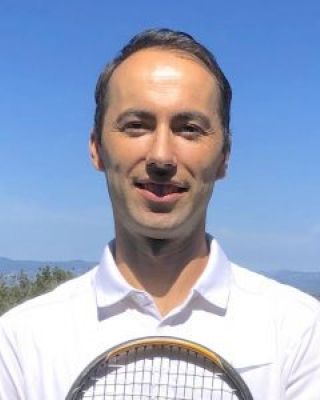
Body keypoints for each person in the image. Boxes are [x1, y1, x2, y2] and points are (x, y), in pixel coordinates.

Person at [0, 28, 319, 400]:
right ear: (97, 149)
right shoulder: (20, 344)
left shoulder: (302, 333)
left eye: (189, 129)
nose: (162, 157)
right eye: (136, 125)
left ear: (224, 158)